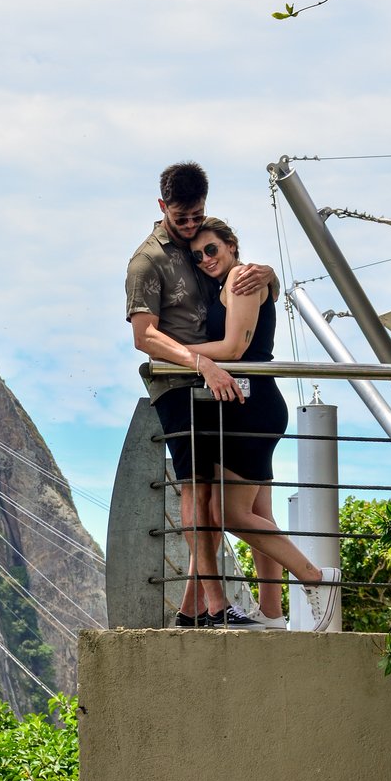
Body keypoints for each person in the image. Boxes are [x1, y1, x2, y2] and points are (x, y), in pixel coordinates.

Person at [126, 162, 277, 629]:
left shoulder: (197, 247)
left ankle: (192, 610)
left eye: (197, 215)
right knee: (197, 489)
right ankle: (215, 605)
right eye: (182, 217)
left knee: (213, 499)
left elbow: (234, 278)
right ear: (161, 206)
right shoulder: (146, 261)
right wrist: (200, 362)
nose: (191, 225)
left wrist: (269, 274)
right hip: (180, 384)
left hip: (213, 385)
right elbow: (144, 337)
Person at [188, 217, 341, 633]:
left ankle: (315, 577)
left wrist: (174, 350)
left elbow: (234, 349)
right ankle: (271, 612)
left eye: (211, 249)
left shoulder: (241, 279)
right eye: (197, 255)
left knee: (230, 513)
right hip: (253, 402)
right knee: (258, 512)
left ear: (231, 245)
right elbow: (266, 295)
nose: (205, 259)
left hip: (250, 405)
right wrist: (270, 274)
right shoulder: (243, 279)